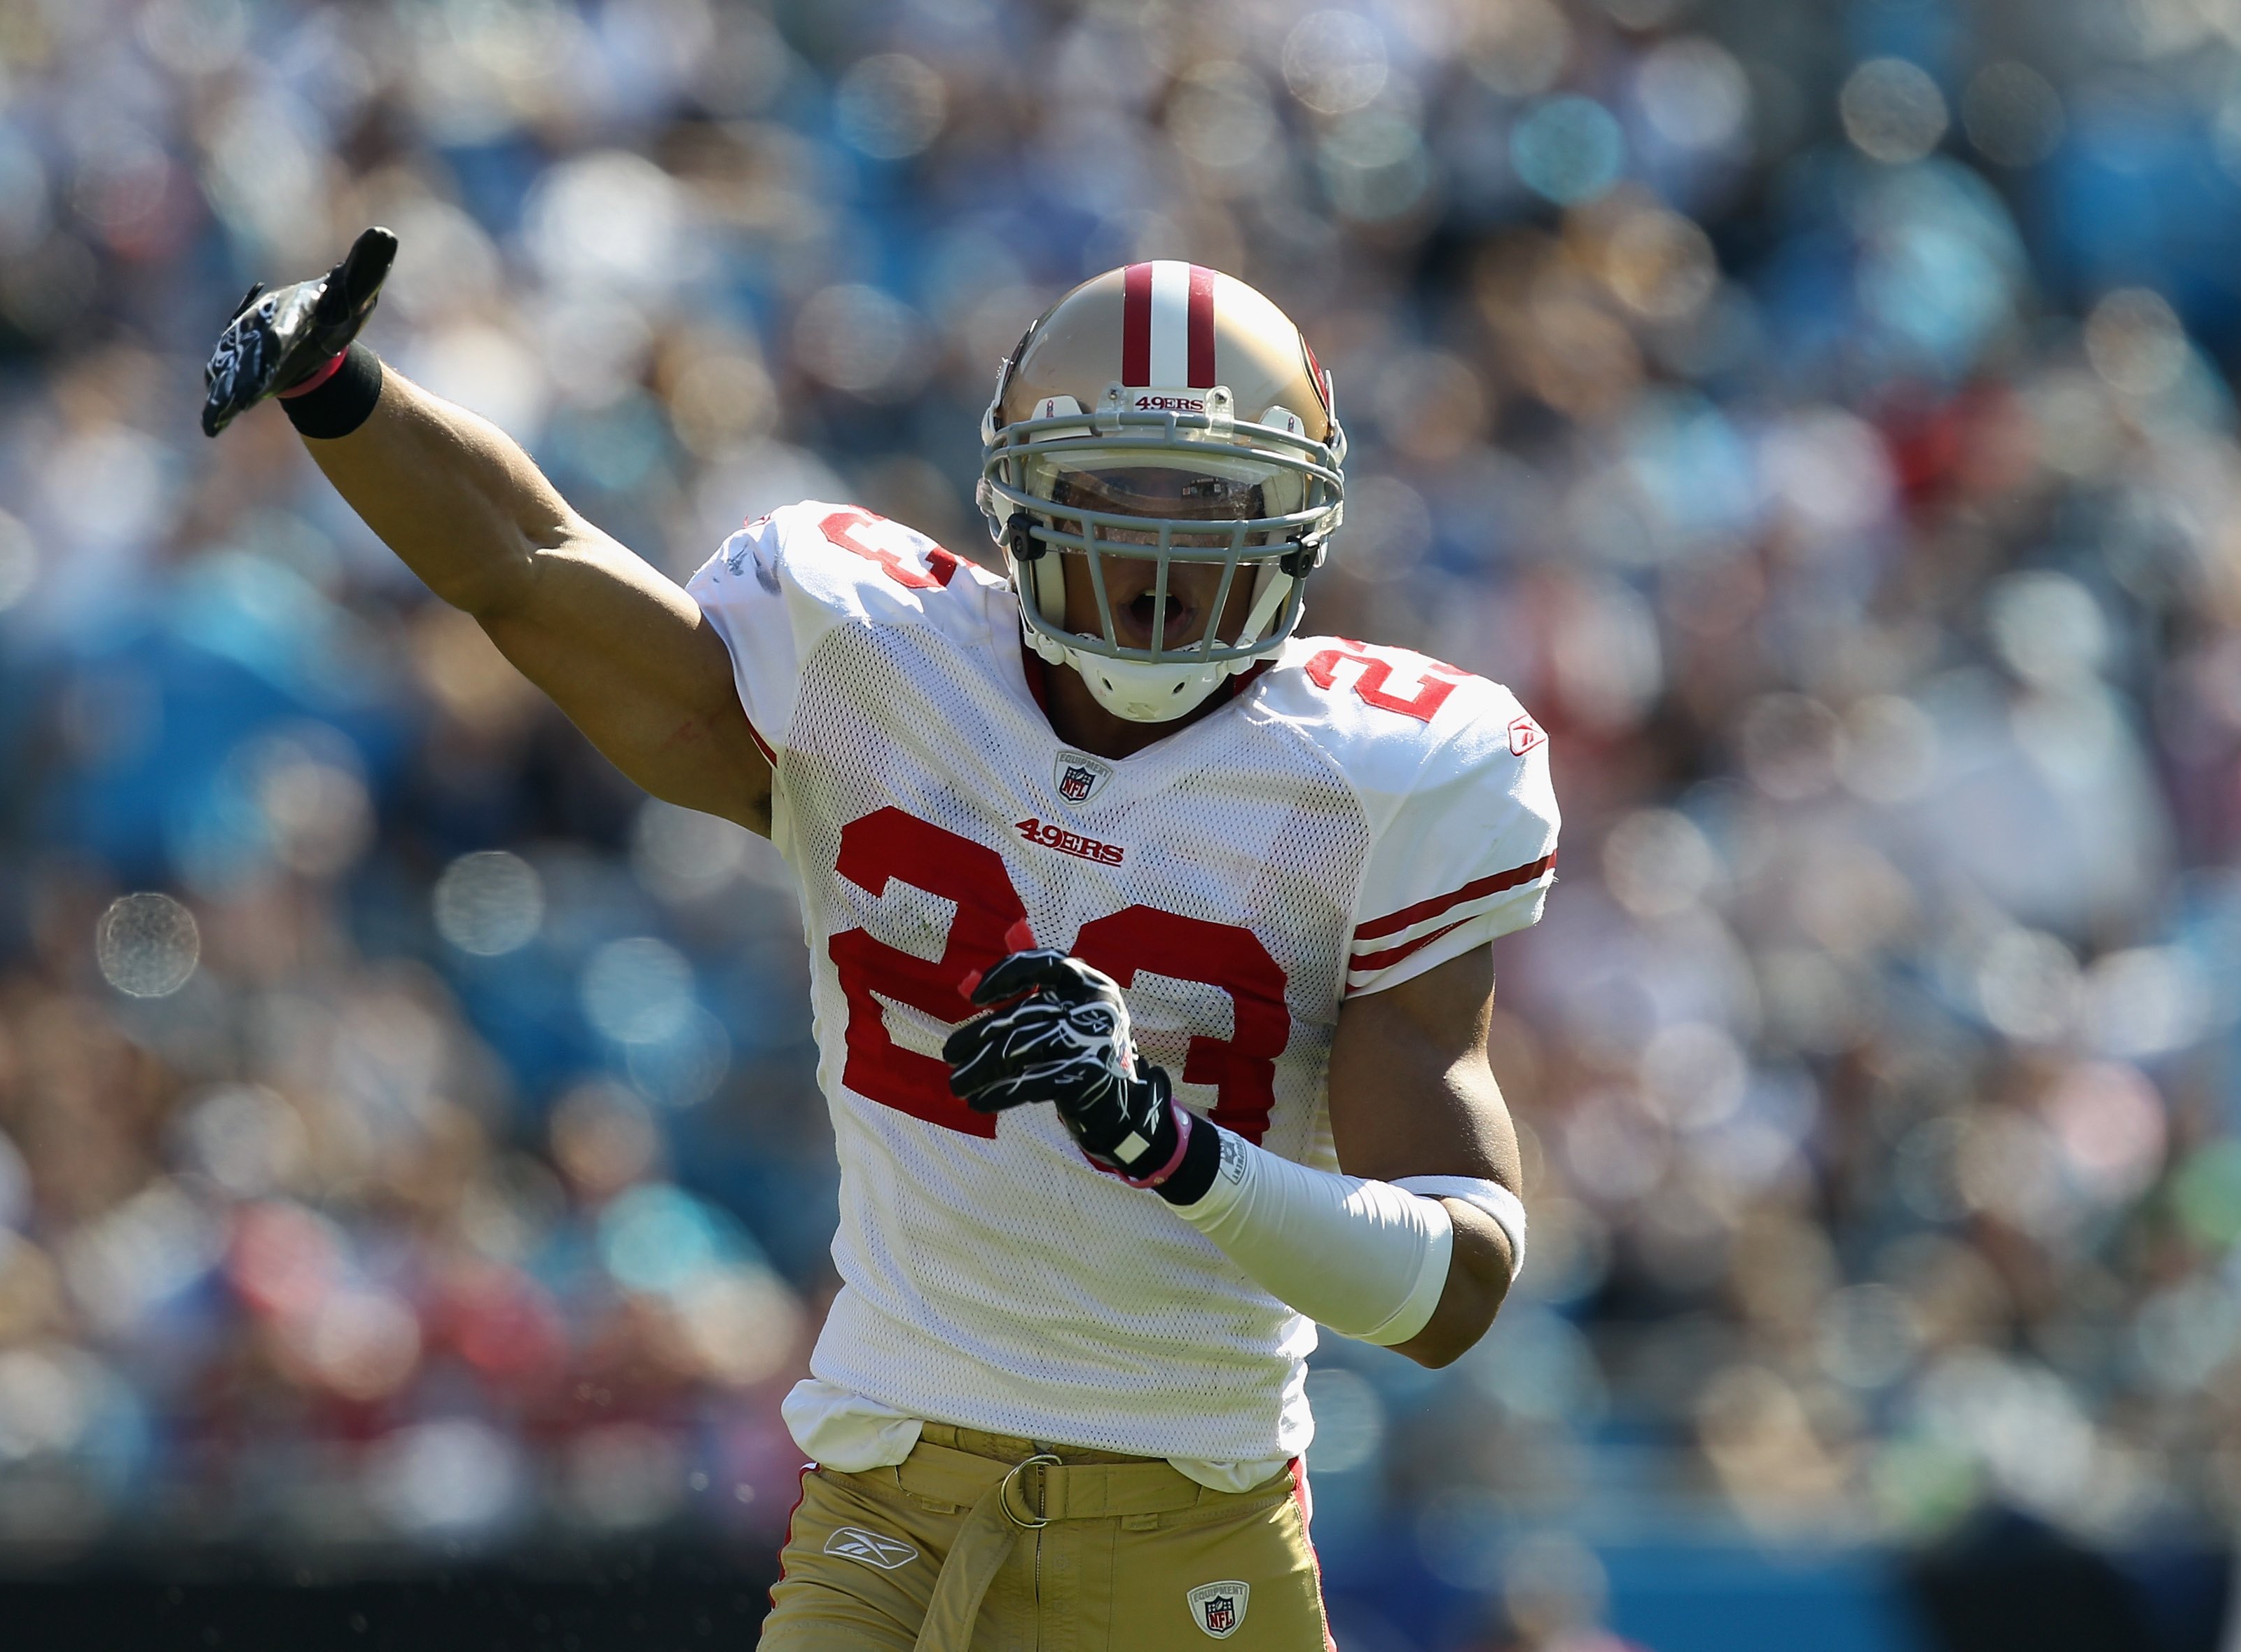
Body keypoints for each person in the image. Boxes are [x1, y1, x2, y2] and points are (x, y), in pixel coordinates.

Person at [202, 230, 1560, 1652]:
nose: (1158, 576)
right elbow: (537, 566)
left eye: (1211, 517)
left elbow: (1455, 1282)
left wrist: (1165, 1144)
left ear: (1300, 529)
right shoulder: (874, 658)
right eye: (1113, 511)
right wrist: (345, 392)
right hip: (891, 1479)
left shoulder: (1387, 778)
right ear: (1017, 511)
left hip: (1192, 1508)